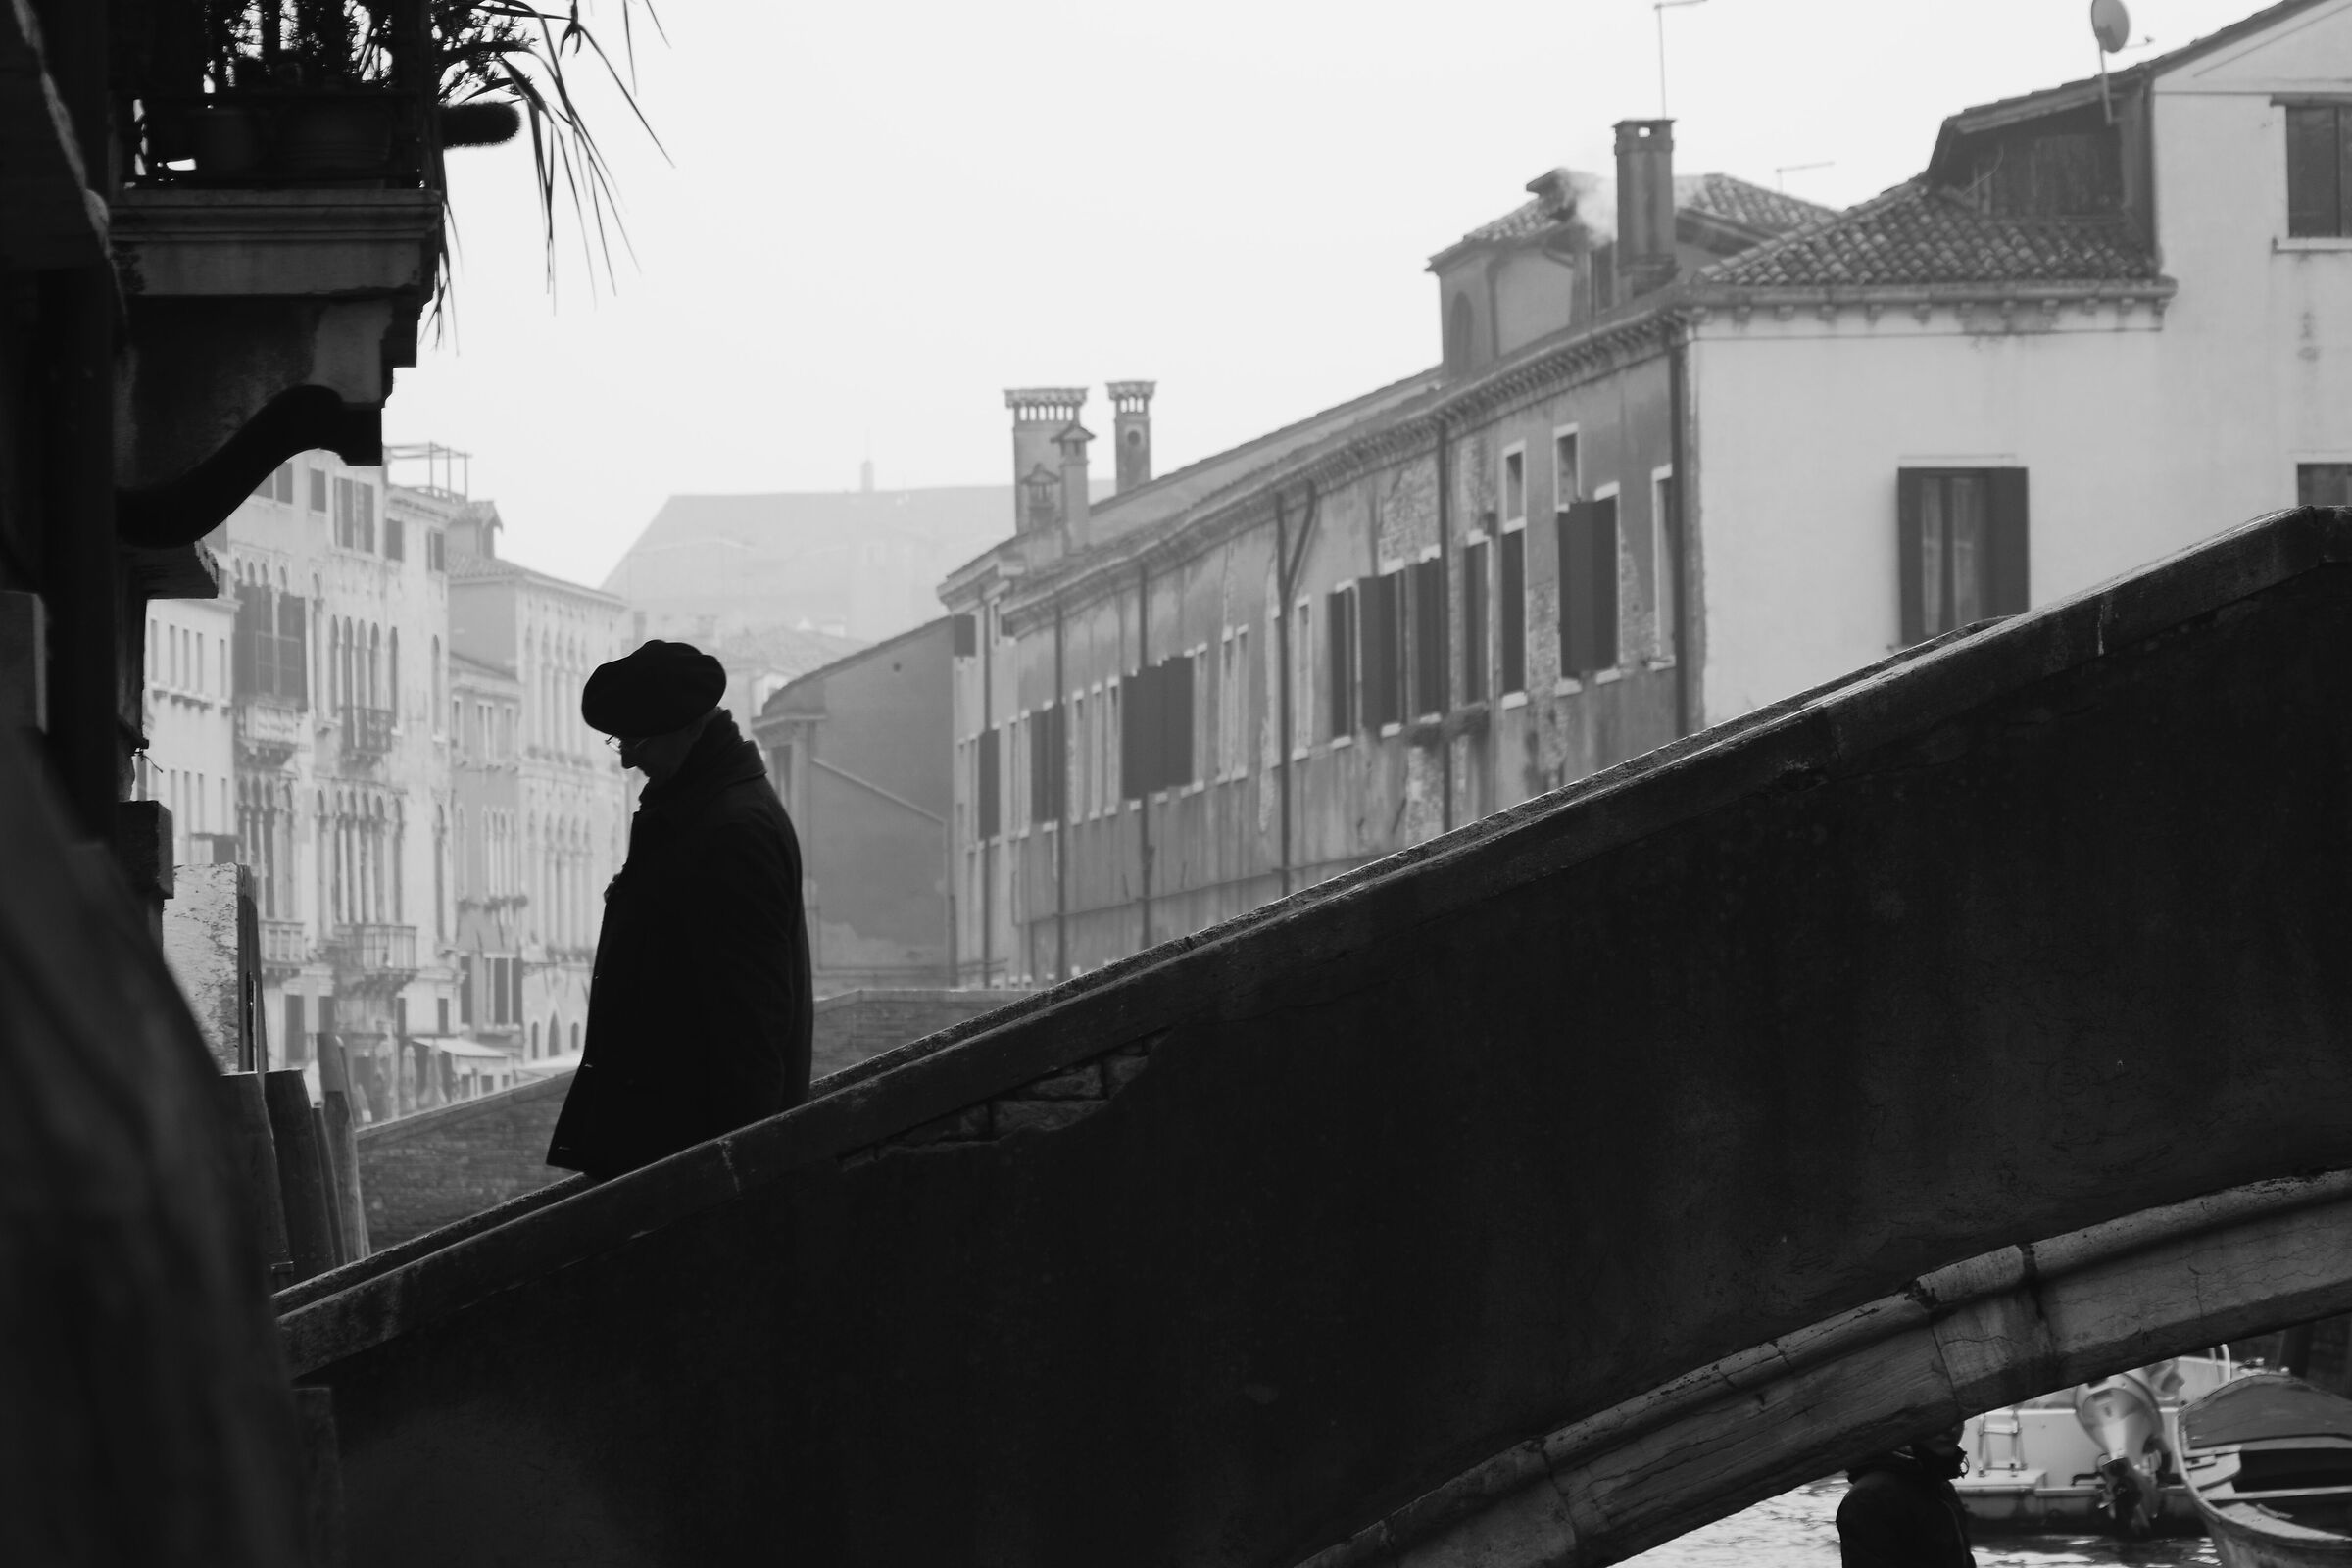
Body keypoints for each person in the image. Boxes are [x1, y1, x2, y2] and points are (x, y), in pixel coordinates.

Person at [547, 640, 813, 1179]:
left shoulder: (731, 830)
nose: (626, 758)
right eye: (619, 740)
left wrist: (745, 1174)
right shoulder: (701, 815)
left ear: (690, 729)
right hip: (669, 1143)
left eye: (637, 740)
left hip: (685, 1153)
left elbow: (752, 1022)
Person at [1836, 1424, 1977, 1568]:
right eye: (1941, 1419)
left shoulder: (1942, 1487)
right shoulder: (1870, 1498)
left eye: (1957, 1418)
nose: (1951, 1429)